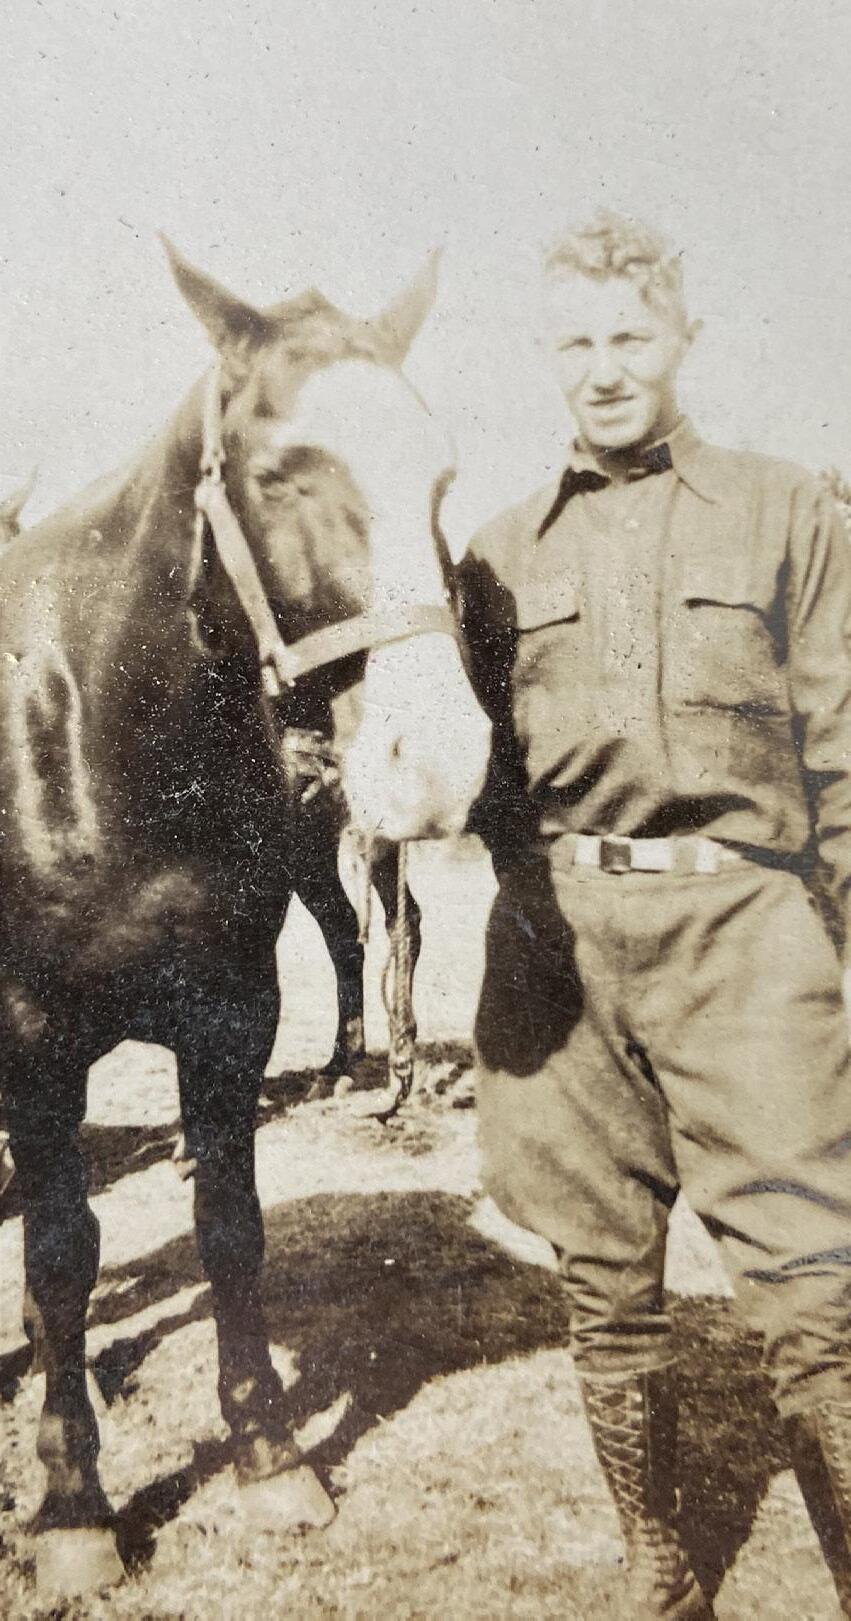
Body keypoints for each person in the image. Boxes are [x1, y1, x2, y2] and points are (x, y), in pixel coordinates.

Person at [458, 210, 851, 1616]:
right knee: (604, 1280)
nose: (605, 367)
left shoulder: (786, 508)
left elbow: (846, 751)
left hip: (747, 932)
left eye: (631, 334)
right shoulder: (497, 550)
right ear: (546, 353)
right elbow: (476, 776)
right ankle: (661, 1563)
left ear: (685, 337)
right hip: (563, 945)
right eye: (576, 340)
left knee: (812, 1283)